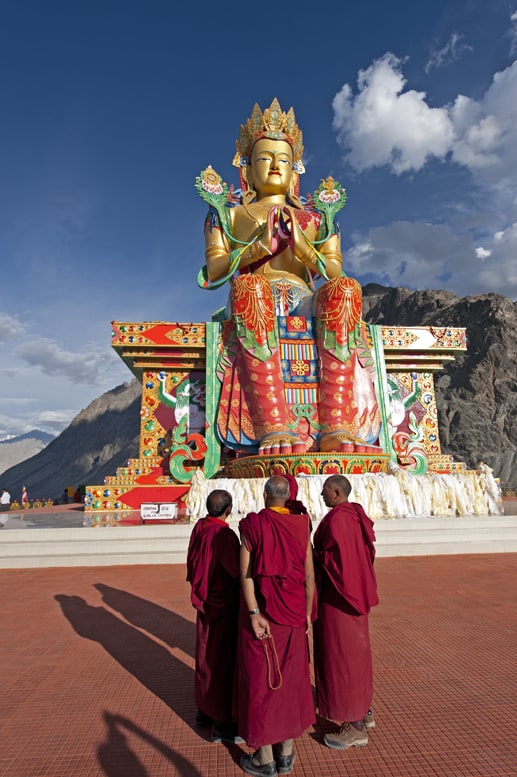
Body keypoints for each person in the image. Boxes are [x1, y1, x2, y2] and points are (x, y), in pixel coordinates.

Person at [196, 99, 381, 456]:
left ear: (296, 170)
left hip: (305, 296)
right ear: (247, 170)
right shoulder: (230, 214)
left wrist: (302, 247)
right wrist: (255, 249)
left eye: (284, 159)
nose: (276, 165)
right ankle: (272, 425)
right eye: (265, 158)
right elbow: (214, 272)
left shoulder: (317, 217)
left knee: (345, 289)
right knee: (249, 286)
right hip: (255, 296)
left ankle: (336, 424)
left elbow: (332, 269)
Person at [237, 475, 315, 776]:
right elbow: (309, 577)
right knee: (292, 682)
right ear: (287, 497)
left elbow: (246, 576)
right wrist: (307, 613)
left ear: (264, 494)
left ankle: (265, 758)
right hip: (294, 614)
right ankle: (286, 752)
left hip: (266, 614)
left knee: (264, 681)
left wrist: (254, 613)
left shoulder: (253, 526)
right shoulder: (301, 525)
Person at [312, 475, 379, 750]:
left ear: (337, 492)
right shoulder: (355, 515)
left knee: (341, 659)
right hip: (356, 597)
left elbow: (333, 561)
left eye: (325, 492)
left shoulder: (338, 520)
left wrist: (310, 556)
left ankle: (355, 727)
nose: (322, 496)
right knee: (357, 657)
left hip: (339, 599)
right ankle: (363, 710)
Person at [186, 489, 242, 743]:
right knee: (221, 660)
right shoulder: (224, 535)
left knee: (206, 656)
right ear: (228, 510)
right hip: (222, 606)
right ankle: (221, 720)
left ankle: (203, 711)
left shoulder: (200, 527)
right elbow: (234, 571)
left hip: (205, 603)